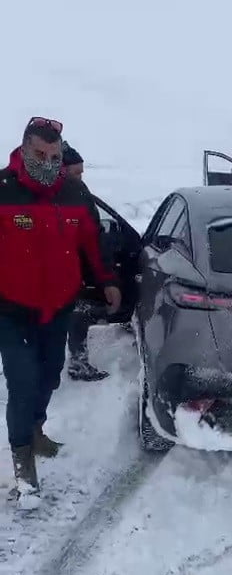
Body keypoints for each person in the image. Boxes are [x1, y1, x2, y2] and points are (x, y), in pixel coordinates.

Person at [0, 118, 121, 503]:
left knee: (49, 376)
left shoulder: (74, 192)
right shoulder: (3, 190)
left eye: (54, 156)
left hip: (58, 306)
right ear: (24, 149)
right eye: (40, 155)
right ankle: (23, 465)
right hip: (11, 308)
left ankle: (35, 430)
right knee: (22, 382)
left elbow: (93, 242)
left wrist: (108, 280)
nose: (48, 163)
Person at [62, 141, 111, 381]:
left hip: (74, 268)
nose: (80, 178)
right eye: (76, 173)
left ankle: (77, 362)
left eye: (82, 172)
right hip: (56, 270)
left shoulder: (80, 193)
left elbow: (93, 233)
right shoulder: (48, 196)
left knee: (77, 313)